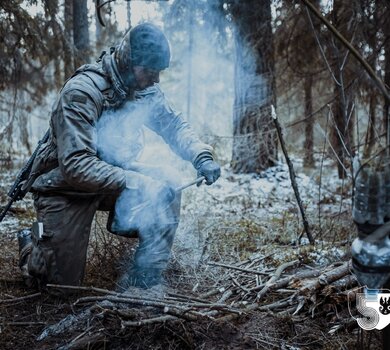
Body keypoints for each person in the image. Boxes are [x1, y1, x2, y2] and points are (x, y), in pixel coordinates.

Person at [18, 23, 220, 291]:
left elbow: (173, 125)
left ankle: (146, 275)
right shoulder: (82, 93)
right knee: (59, 289)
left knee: (168, 179)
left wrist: (201, 155)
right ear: (129, 61)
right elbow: (76, 166)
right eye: (150, 71)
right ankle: (30, 248)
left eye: (158, 72)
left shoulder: (143, 89)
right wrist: (141, 183)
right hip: (66, 188)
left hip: (113, 177)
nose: (156, 79)